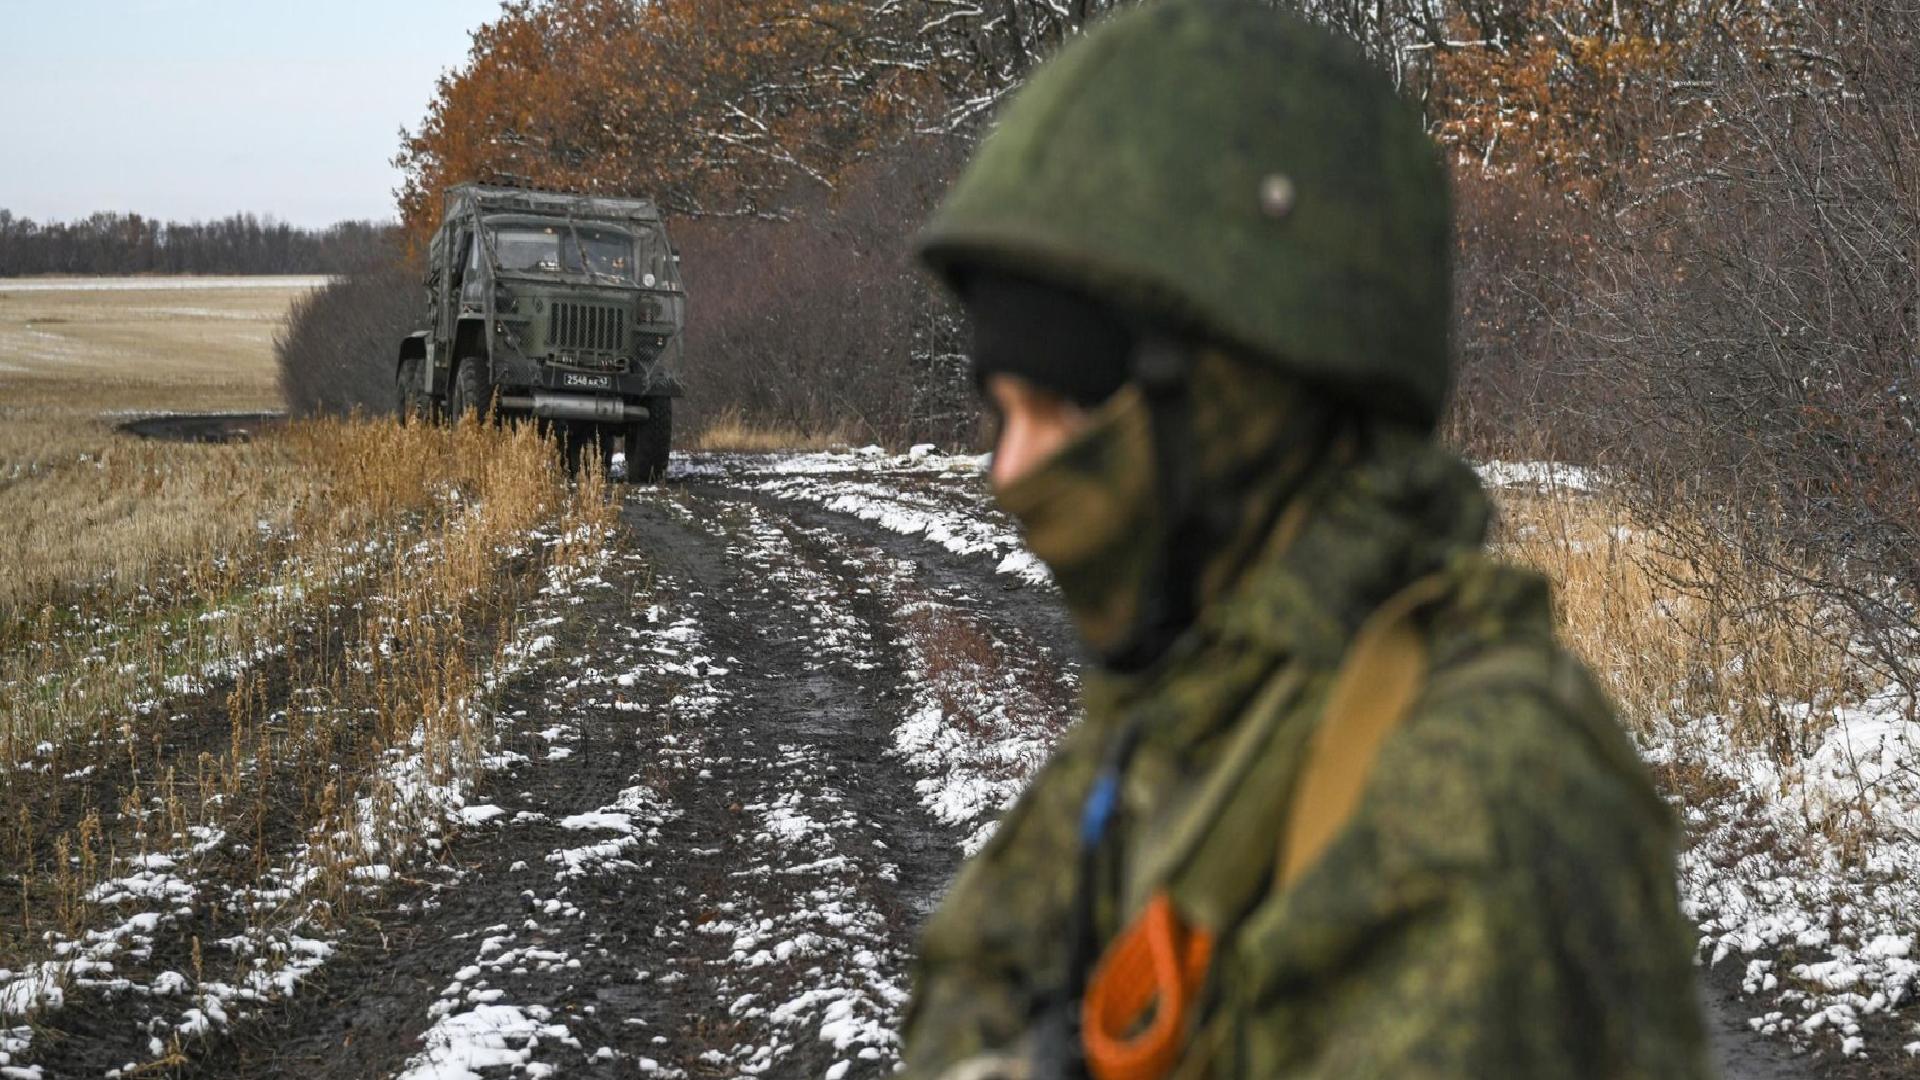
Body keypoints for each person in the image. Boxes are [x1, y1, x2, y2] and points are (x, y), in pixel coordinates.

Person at [898, 1, 1714, 1077]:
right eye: (1001, 413)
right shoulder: (1193, 712)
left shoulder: (1470, 801)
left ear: (1245, 395)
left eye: (1063, 406)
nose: (1012, 472)